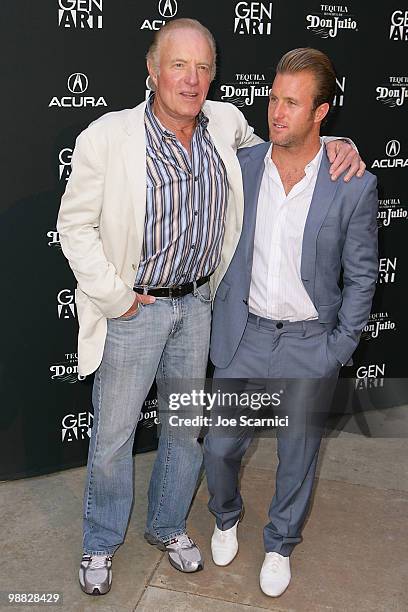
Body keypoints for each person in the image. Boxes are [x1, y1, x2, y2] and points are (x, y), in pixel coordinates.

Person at [57, 18, 364, 596]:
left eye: (203, 67)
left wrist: (337, 145)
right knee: (115, 437)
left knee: (183, 433)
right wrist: (117, 299)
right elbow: (74, 226)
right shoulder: (109, 134)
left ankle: (169, 527)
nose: (192, 79)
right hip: (134, 309)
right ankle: (100, 541)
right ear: (152, 70)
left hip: (199, 306)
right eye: (179, 64)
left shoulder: (226, 125)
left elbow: (289, 151)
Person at [204, 48, 378, 597]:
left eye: (292, 103)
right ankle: (225, 514)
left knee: (297, 456)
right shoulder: (243, 165)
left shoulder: (352, 183)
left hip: (309, 344)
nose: (276, 112)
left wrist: (338, 348)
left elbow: (362, 275)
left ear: (321, 112)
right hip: (244, 338)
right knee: (218, 448)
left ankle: (279, 543)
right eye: (273, 99)